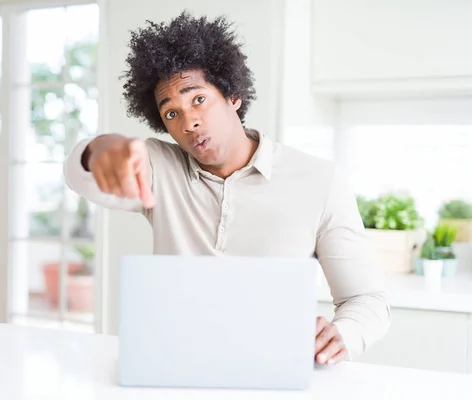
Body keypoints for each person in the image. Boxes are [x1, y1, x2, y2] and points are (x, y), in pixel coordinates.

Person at [64, 11, 390, 365]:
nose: (189, 122)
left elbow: (366, 298)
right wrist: (100, 150)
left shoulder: (318, 180)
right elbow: (79, 175)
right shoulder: (159, 167)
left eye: (198, 99)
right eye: (171, 113)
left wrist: (344, 335)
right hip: (173, 366)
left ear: (232, 95)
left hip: (274, 368)